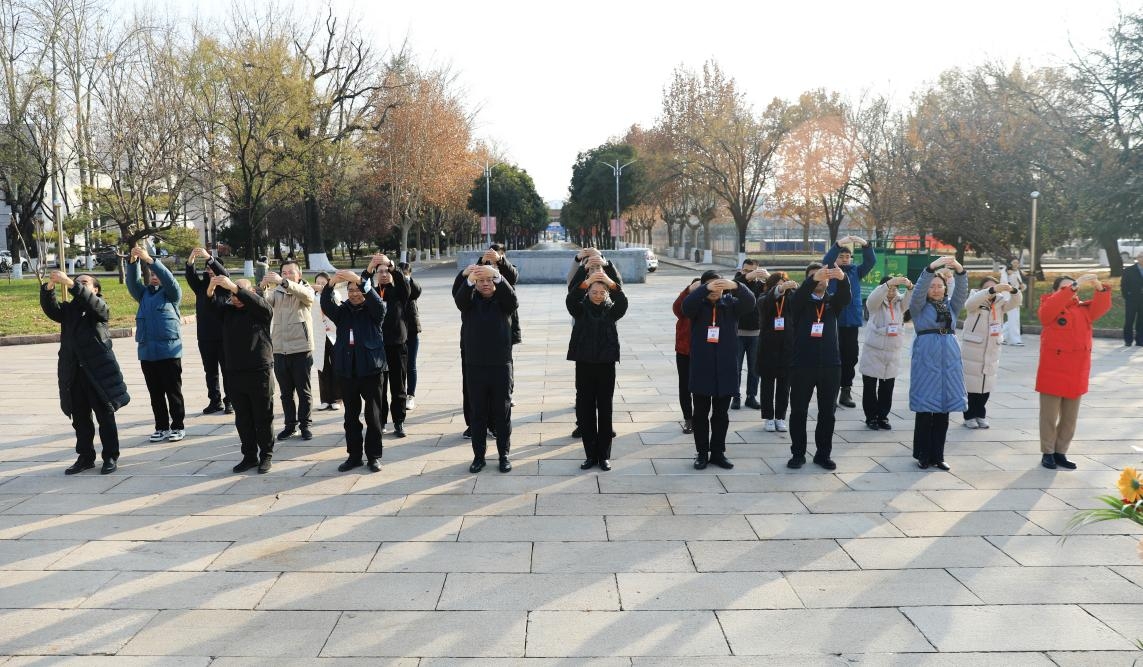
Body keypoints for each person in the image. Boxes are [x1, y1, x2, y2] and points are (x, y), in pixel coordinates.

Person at [40, 270, 130, 474]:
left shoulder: (99, 307)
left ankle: (110, 456)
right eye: (76, 281)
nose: (78, 283)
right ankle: (85, 457)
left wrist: (71, 284)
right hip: (74, 372)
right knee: (80, 418)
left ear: (95, 289)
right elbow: (51, 309)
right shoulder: (69, 310)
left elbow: (96, 307)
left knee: (105, 417)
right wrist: (49, 287)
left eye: (84, 282)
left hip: (97, 372)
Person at [681, 271, 756, 470]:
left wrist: (737, 285)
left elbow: (750, 302)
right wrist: (704, 289)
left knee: (721, 414)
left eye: (719, 284)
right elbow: (686, 307)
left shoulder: (731, 304)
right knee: (700, 414)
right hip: (702, 367)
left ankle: (718, 452)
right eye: (711, 285)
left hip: (726, 368)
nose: (716, 288)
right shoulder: (698, 305)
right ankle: (702, 453)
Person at [1036, 273, 1111, 469]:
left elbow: (1102, 306)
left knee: (1070, 418)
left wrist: (1098, 286)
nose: (1072, 290)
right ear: (1054, 291)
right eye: (1065, 288)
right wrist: (1075, 285)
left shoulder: (1084, 309)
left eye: (1074, 287)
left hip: (1077, 370)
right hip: (1053, 370)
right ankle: (1048, 452)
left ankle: (1061, 452)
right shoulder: (1049, 306)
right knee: (1049, 416)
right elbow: (1047, 314)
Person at [322, 268, 388, 473]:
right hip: (347, 370)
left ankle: (374, 456)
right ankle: (354, 456)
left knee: (373, 416)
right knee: (350, 417)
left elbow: (378, 303)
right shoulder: (342, 311)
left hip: (371, 369)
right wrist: (331, 284)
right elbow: (326, 304)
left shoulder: (374, 310)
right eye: (350, 290)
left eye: (357, 289)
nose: (354, 293)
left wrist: (360, 280)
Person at [786, 263, 850, 470]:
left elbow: (846, 297)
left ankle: (823, 454)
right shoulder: (799, 301)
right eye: (814, 276)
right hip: (802, 365)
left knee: (827, 413)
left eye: (823, 276)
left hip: (831, 365)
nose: (820, 279)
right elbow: (798, 297)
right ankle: (798, 453)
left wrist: (843, 278)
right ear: (807, 280)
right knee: (798, 411)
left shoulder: (833, 302)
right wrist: (813, 279)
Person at [208, 275, 275, 474]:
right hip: (235, 373)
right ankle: (249, 456)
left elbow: (261, 305)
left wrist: (237, 288)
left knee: (263, 417)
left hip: (259, 372)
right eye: (232, 294)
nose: (235, 297)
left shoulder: (261, 311)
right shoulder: (227, 312)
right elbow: (210, 305)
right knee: (243, 419)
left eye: (239, 292)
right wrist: (211, 287)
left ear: (251, 292)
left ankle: (266, 455)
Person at [455, 263, 518, 473]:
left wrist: (497, 274)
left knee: (502, 412)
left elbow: (513, 299)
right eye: (480, 281)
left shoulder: (504, 302)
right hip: (476, 366)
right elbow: (459, 299)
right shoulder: (469, 302)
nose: (485, 284)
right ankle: (478, 456)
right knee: (478, 414)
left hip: (501, 365)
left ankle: (504, 455)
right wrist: (468, 278)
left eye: (489, 280)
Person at [909, 256, 969, 471]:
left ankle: (938, 455)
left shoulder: (951, 306)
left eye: (939, 286)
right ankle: (923, 454)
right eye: (932, 286)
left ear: (945, 288)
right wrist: (931, 268)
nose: (935, 289)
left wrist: (960, 270)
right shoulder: (918, 307)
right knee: (925, 409)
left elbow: (961, 292)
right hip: (927, 358)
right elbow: (918, 291)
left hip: (949, 359)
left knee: (944, 409)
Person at [566, 268, 628, 471]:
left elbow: (623, 301)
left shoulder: (612, 311)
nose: (598, 295)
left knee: (605, 410)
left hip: (606, 365)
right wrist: (587, 281)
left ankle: (604, 456)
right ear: (588, 292)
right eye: (594, 292)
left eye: (602, 292)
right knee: (586, 411)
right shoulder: (580, 309)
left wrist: (610, 282)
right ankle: (590, 455)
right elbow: (570, 299)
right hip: (584, 364)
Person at [126, 245, 186, 443]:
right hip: (147, 353)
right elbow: (132, 283)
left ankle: (178, 426)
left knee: (173, 392)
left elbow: (169, 281)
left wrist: (150, 260)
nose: (154, 277)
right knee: (155, 394)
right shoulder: (143, 294)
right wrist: (133, 261)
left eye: (157, 274)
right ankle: (161, 427)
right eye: (152, 274)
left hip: (169, 353)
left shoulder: (172, 295)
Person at [261, 259, 315, 441]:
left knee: (303, 391)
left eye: (291, 272)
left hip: (301, 348)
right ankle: (290, 426)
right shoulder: (277, 291)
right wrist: (263, 287)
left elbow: (307, 297)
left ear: (299, 274)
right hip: (279, 348)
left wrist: (284, 282)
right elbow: (265, 304)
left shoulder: (305, 289)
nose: (287, 275)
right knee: (285, 394)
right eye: (284, 273)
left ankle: (305, 425)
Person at [822, 235, 876, 408]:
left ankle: (846, 390)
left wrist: (865, 244)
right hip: (834, 321)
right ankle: (831, 391)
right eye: (841, 256)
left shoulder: (856, 271)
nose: (845, 259)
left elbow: (871, 261)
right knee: (833, 357)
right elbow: (826, 260)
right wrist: (838, 244)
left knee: (850, 357)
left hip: (851, 322)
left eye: (847, 257)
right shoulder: (830, 271)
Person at [960, 276, 1022, 429]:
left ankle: (980, 415)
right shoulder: (975, 299)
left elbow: (1016, 302)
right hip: (973, 347)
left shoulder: (1000, 302)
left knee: (986, 385)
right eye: (988, 287)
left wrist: (1013, 290)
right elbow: (969, 305)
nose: (993, 290)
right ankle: (969, 416)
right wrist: (990, 290)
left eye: (995, 287)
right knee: (971, 385)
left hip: (992, 348)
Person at [363, 253, 410, 437]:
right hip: (376, 347)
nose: (383, 274)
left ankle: (399, 421)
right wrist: (369, 267)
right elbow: (362, 284)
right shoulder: (372, 292)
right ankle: (380, 421)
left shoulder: (399, 291)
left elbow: (405, 284)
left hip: (397, 344)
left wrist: (391, 264)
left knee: (398, 386)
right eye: (380, 271)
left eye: (386, 271)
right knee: (378, 388)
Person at [858, 275, 913, 430]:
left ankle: (883, 416)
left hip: (892, 352)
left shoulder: (900, 303)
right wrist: (888, 284)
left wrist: (910, 286)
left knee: (887, 388)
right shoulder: (875, 303)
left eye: (895, 289)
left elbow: (911, 299)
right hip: (873, 351)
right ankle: (871, 417)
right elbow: (873, 299)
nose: (892, 292)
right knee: (870, 387)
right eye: (889, 288)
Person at [185, 247, 232, 415]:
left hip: (224, 336)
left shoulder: (226, 288)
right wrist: (191, 259)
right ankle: (215, 400)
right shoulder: (201, 286)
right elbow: (190, 276)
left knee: (227, 370)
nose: (210, 271)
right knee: (210, 371)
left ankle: (230, 401)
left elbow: (224, 274)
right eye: (207, 268)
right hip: (205, 336)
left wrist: (209, 258)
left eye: (212, 268)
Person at [756, 272, 796, 433]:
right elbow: (766, 302)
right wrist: (779, 290)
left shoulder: (791, 299)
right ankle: (768, 417)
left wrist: (793, 288)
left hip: (787, 348)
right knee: (767, 385)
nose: (782, 287)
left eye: (784, 283)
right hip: (768, 348)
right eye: (778, 284)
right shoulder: (764, 298)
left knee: (784, 385)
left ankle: (780, 417)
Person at [732, 259, 768, 410]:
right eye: (745, 270)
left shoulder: (761, 285)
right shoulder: (736, 283)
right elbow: (734, 287)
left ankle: (751, 396)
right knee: (736, 367)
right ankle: (735, 396)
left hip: (756, 333)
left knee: (754, 368)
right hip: (738, 333)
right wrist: (747, 277)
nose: (749, 273)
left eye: (752, 271)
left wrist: (768, 277)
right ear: (741, 270)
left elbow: (776, 289)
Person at [311, 271, 342, 411]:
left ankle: (337, 398)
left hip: (334, 335)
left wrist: (326, 290)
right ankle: (325, 399)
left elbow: (336, 300)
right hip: (319, 336)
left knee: (336, 366)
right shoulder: (312, 296)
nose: (320, 285)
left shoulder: (335, 294)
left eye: (323, 283)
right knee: (322, 367)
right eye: (318, 283)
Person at [672, 278, 699, 434]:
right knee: (685, 386)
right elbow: (676, 308)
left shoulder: (710, 302)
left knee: (701, 386)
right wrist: (688, 290)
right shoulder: (686, 302)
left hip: (704, 353)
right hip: (684, 351)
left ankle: (699, 417)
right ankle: (688, 418)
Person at [399, 262, 422, 411]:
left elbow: (417, 291)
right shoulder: (393, 288)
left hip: (411, 331)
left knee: (410, 365)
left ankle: (410, 395)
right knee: (397, 367)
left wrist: (407, 280)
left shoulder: (411, 287)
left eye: (405, 274)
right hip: (395, 333)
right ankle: (400, 395)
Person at [1001, 259, 1027, 346]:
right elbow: (1005, 285)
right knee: (1014, 319)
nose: (1016, 264)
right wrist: (1011, 275)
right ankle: (1015, 340)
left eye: (1017, 263)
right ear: (1010, 263)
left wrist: (1022, 286)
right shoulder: (1005, 272)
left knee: (1013, 320)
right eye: (1014, 262)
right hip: (1008, 298)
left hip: (1016, 298)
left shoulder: (1017, 272)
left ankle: (1001, 337)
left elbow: (1018, 286)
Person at [1121, 251, 1143, 347]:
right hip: (1132, 300)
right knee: (1129, 320)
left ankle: (1140, 340)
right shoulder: (1129, 270)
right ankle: (1128, 340)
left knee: (1141, 321)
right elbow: (1123, 285)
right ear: (1137, 258)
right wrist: (1127, 297)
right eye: (1141, 257)